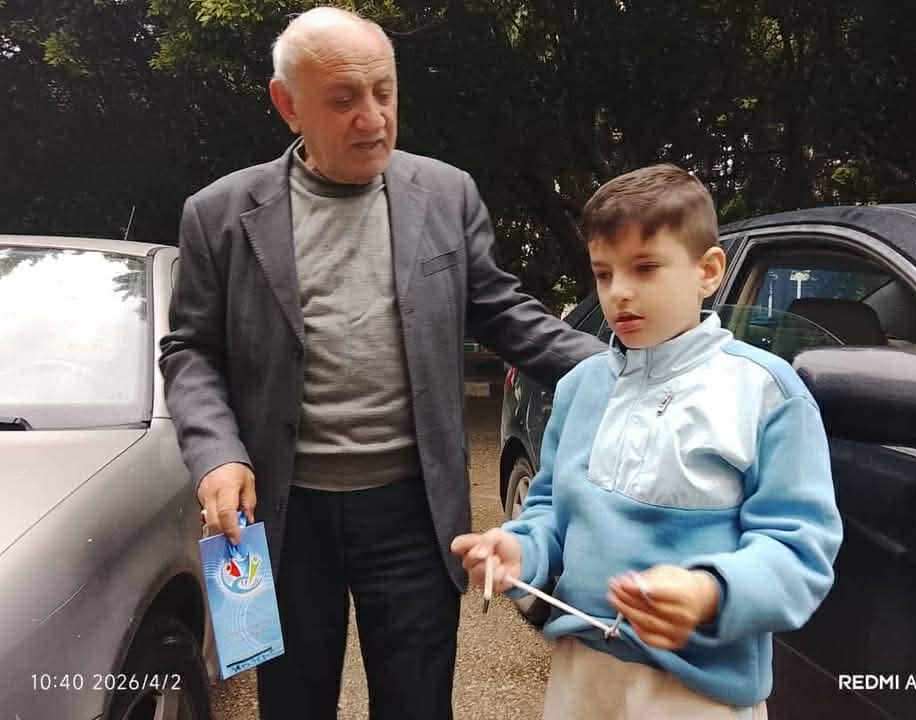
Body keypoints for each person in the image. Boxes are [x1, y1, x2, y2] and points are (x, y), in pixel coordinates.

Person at [158, 6, 604, 720]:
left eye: (384, 92)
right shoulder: (219, 214)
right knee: (292, 703)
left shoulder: (447, 193)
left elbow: (504, 312)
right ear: (288, 105)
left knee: (418, 703)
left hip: (412, 511)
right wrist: (216, 454)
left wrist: (632, 372)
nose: (373, 118)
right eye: (343, 100)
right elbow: (191, 350)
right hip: (282, 514)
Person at [453, 164, 843, 719]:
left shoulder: (767, 393)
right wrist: (520, 551)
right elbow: (549, 512)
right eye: (603, 273)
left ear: (708, 271)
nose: (620, 292)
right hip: (580, 676)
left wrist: (710, 593)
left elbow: (800, 552)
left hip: (698, 693)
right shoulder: (581, 386)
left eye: (645, 268)